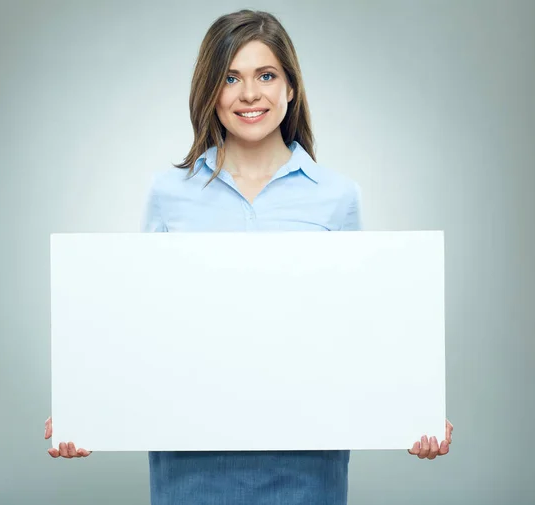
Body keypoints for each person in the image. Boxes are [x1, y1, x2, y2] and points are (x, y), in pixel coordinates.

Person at [44, 8, 453, 505]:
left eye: (266, 75)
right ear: (210, 91)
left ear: (291, 88)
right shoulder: (169, 193)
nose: (250, 93)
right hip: (191, 463)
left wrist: (414, 406)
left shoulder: (338, 196)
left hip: (306, 464)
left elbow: (362, 328)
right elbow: (140, 325)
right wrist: (86, 406)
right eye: (230, 77)